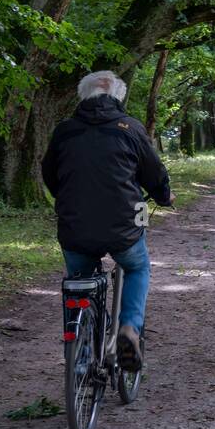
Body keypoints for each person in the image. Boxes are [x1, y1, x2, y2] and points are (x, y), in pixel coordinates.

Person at [41, 70, 172, 372]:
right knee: (137, 266)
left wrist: (67, 198)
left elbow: (49, 174)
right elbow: (154, 174)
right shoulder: (131, 128)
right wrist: (165, 197)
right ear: (118, 96)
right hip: (123, 226)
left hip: (74, 226)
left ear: (82, 95)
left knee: (77, 284)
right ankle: (128, 329)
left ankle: (80, 353)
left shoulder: (64, 130)